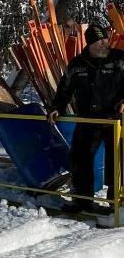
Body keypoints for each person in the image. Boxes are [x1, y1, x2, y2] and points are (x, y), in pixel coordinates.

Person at [48, 22, 124, 213]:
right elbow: (64, 89)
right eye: (99, 41)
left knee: (119, 159)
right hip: (88, 119)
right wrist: (57, 107)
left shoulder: (119, 59)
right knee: (80, 156)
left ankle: (118, 201)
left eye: (105, 39)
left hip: (116, 119)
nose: (104, 43)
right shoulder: (77, 64)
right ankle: (82, 199)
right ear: (89, 44)